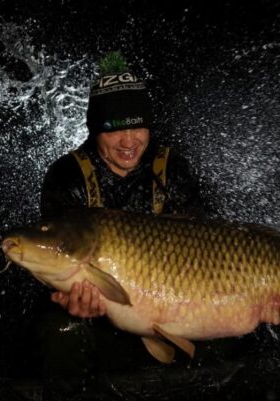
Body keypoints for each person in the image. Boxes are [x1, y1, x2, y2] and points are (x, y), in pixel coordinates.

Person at [39, 51, 204, 321]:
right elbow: (54, 260)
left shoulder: (172, 170)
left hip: (175, 297)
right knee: (57, 330)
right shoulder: (67, 176)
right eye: (114, 129)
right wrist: (71, 301)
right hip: (102, 307)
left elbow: (205, 255)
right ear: (95, 130)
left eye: (138, 126)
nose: (129, 142)